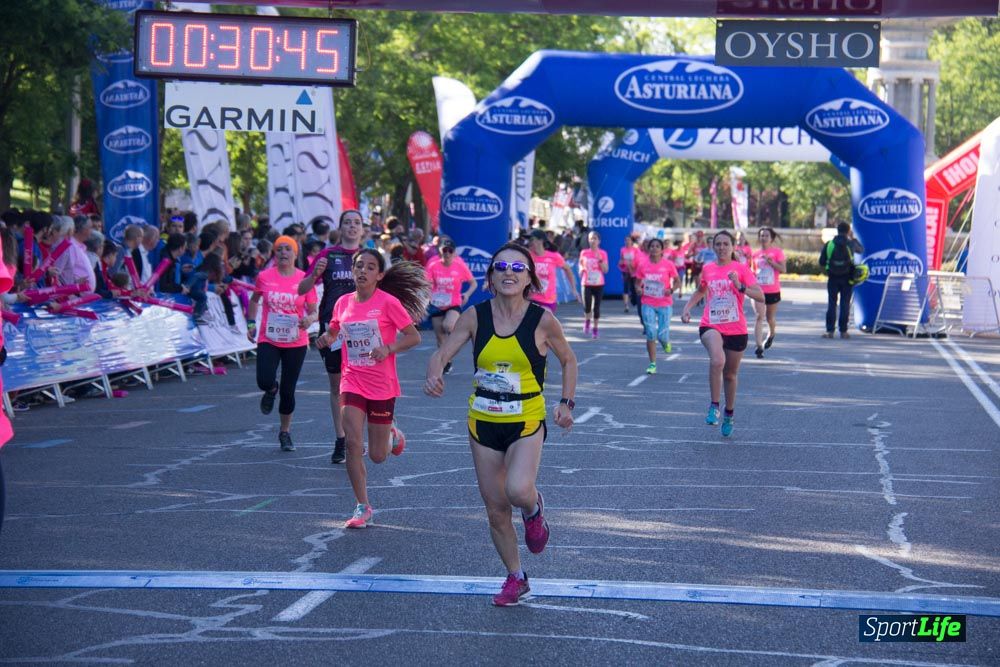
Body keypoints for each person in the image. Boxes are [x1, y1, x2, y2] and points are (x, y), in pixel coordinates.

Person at [424, 242, 577, 607]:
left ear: (529, 279)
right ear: (491, 276)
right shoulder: (476, 316)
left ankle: (534, 509)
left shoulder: (542, 320)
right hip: (483, 421)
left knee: (518, 490)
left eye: (518, 268)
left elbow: (570, 361)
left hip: (525, 418)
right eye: (501, 266)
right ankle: (515, 576)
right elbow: (443, 352)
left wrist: (566, 403)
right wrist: (434, 373)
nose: (509, 272)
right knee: (495, 508)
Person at [315, 250, 428, 529]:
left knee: (378, 456)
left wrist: (388, 348)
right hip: (352, 379)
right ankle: (362, 506)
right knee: (353, 443)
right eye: (358, 266)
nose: (362, 271)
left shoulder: (388, 303)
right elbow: (334, 331)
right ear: (353, 272)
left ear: (379, 275)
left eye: (369, 267)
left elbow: (413, 336)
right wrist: (326, 338)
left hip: (381, 384)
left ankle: (391, 433)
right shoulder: (342, 303)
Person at [681, 231, 764, 438]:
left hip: (736, 329)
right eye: (718, 244)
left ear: (733, 247)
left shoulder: (741, 269)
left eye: (725, 244)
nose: (721, 248)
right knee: (717, 360)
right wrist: (687, 308)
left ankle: (729, 414)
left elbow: (760, 295)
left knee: (730, 374)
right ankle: (714, 405)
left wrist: (740, 286)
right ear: (713, 247)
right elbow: (701, 290)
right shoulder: (708, 269)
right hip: (711, 324)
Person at [298, 209, 364, 465]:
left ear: (362, 229)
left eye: (356, 223)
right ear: (340, 228)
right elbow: (302, 289)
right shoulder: (327, 255)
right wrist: (315, 274)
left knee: (360, 383)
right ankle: (341, 438)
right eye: (347, 222)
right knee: (337, 385)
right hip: (333, 327)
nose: (352, 227)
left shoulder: (369, 257)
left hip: (363, 327)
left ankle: (356, 438)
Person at [247, 236, 318, 452]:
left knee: (288, 391)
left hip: (295, 340)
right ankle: (271, 389)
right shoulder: (264, 277)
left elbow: (314, 310)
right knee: (264, 379)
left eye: (288, 249)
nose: (283, 253)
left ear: (296, 254)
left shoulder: (304, 279)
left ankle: (285, 432)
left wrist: (309, 319)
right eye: (279, 249)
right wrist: (251, 322)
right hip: (269, 337)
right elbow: (254, 300)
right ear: (274, 254)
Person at [425, 237, 476, 374]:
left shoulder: (459, 265)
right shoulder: (432, 264)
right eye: (444, 250)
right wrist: (428, 297)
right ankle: (446, 362)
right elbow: (427, 284)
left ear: (454, 253)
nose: (447, 253)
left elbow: (473, 283)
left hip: (453, 302)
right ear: (439, 251)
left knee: (448, 325)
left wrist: (467, 295)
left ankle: (460, 337)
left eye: (450, 251)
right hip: (436, 303)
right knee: (440, 337)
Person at [635, 238, 681, 374]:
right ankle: (652, 363)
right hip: (647, 302)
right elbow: (637, 282)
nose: (654, 248)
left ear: (662, 249)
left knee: (661, 335)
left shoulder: (668, 264)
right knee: (650, 332)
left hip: (664, 303)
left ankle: (665, 341)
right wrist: (638, 288)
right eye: (652, 246)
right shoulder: (643, 265)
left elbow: (678, 281)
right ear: (648, 249)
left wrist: (671, 290)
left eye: (657, 246)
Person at [751, 227, 787, 358]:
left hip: (772, 290)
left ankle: (771, 333)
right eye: (761, 235)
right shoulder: (755, 254)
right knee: (758, 316)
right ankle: (759, 346)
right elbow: (752, 272)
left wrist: (771, 262)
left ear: (771, 238)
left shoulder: (777, 252)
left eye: (766, 235)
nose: (763, 238)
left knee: (769, 318)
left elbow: (783, 269)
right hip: (757, 290)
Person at [819, 222, 857, 339]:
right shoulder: (850, 244)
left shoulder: (829, 244)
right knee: (845, 305)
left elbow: (821, 261)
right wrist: (853, 238)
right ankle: (843, 331)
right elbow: (861, 250)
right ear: (848, 231)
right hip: (847, 279)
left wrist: (830, 269)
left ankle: (830, 331)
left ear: (837, 230)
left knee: (832, 304)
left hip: (833, 278)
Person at [527, 229, 579, 313]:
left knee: (543, 323)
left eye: (532, 239)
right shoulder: (527, 256)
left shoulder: (554, 256)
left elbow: (567, 269)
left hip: (548, 300)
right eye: (529, 240)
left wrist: (574, 289)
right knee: (533, 325)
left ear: (540, 241)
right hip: (531, 299)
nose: (529, 242)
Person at [578, 231, 608, 339]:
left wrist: (600, 259)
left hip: (598, 283)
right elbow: (580, 265)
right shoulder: (584, 252)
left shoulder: (603, 253)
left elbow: (605, 270)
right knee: (587, 306)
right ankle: (587, 321)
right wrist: (581, 270)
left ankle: (595, 328)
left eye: (595, 238)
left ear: (599, 241)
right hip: (586, 282)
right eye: (590, 238)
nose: (592, 241)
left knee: (596, 307)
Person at [618, 234, 640, 313]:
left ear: (632, 242)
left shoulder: (636, 250)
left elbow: (638, 261)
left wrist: (631, 264)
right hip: (625, 271)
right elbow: (621, 260)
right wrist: (623, 263)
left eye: (629, 240)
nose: (627, 242)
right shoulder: (622, 249)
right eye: (626, 240)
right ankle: (626, 306)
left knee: (634, 288)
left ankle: (636, 301)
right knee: (625, 288)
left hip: (634, 272)